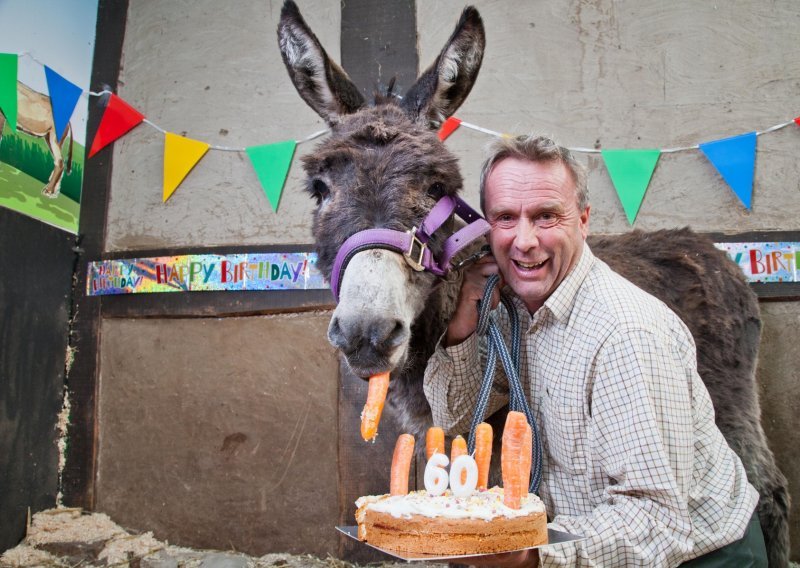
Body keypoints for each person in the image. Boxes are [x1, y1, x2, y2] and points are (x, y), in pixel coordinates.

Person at [423, 135, 766, 567]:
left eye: (546, 216)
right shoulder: (507, 309)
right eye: (506, 218)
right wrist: (463, 325)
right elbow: (455, 417)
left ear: (583, 220)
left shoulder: (626, 334)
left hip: (697, 557)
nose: (524, 241)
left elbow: (657, 521)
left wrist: (530, 555)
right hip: (597, 545)